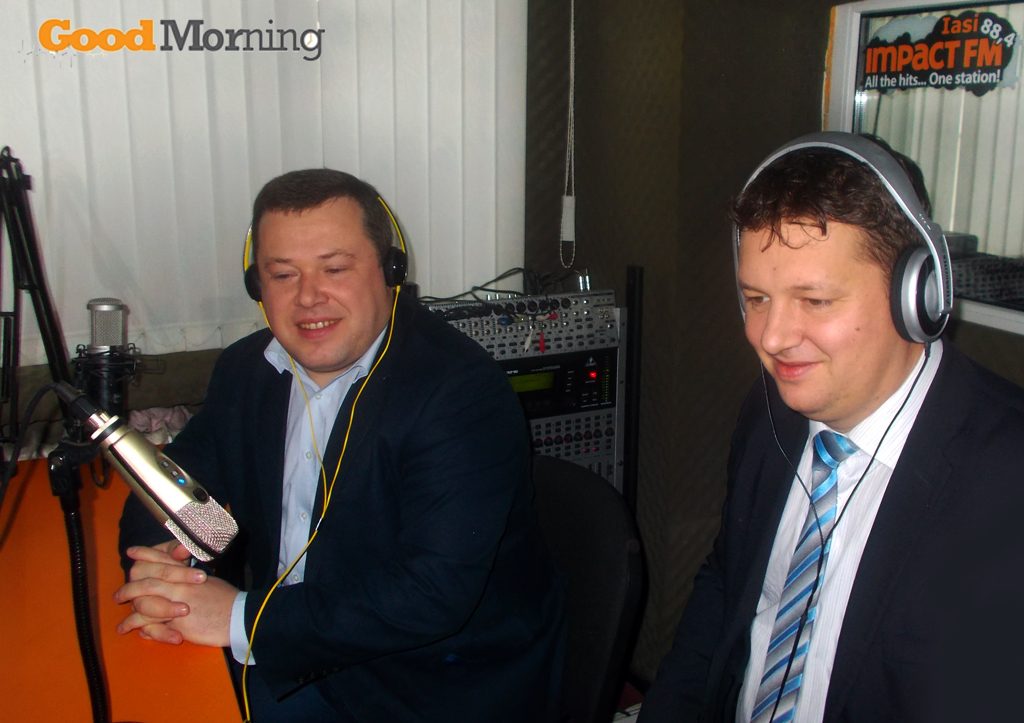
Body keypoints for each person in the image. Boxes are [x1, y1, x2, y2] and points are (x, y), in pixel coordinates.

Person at [115, 169, 565, 721]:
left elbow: (431, 593)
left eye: (334, 269)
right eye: (283, 274)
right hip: (288, 647)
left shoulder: (458, 393)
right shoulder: (246, 371)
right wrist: (168, 575)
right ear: (257, 286)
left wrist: (239, 619)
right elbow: (175, 487)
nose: (308, 296)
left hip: (423, 685)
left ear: (390, 272)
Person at [639, 132, 1024, 722]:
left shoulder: (1006, 481)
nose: (771, 338)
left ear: (916, 296)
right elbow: (727, 585)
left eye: (814, 301)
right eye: (756, 298)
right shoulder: (770, 413)